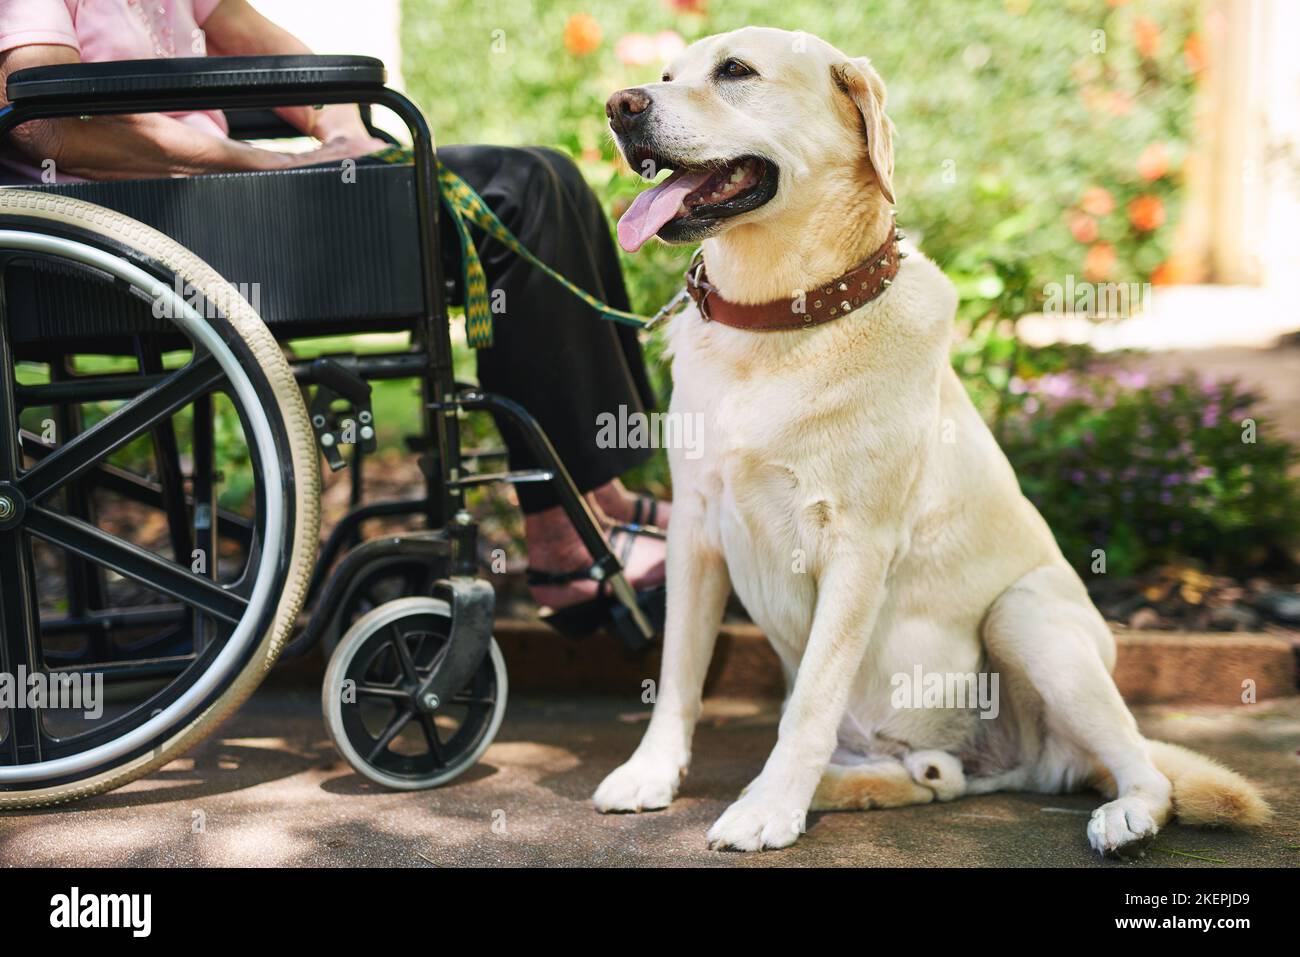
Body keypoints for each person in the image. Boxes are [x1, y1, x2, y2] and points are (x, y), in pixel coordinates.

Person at [0, 0, 669, 621]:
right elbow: (45, 121)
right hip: (132, 236)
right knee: (517, 191)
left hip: (215, 207)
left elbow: (290, 63)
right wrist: (255, 163)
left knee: (545, 173)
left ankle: (597, 495)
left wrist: (342, 130)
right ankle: (562, 537)